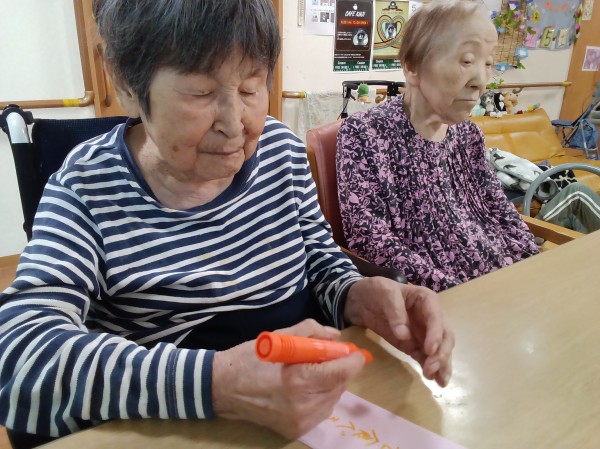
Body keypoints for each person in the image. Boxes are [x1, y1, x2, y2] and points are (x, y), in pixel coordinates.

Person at [0, 0, 454, 445]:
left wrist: (357, 295)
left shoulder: (280, 151)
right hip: (182, 429)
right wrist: (216, 384)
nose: (236, 125)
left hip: (307, 412)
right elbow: (18, 354)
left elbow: (319, 260)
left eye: (252, 87)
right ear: (125, 83)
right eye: (200, 92)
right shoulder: (85, 187)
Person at [336, 0, 540, 292]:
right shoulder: (364, 134)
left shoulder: (469, 135)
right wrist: (456, 291)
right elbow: (370, 239)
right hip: (442, 297)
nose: (481, 81)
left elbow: (500, 209)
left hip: (505, 281)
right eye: (466, 61)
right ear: (412, 67)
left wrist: (531, 264)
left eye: (488, 64)